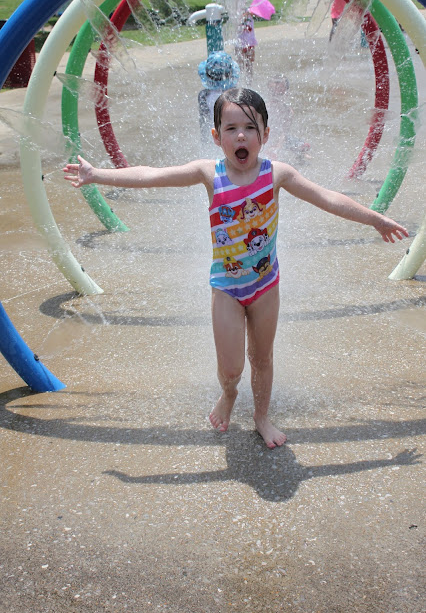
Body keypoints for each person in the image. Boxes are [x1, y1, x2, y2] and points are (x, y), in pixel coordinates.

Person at [63, 88, 409, 449]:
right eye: (231, 128)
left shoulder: (277, 174)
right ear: (217, 137)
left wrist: (375, 219)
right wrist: (97, 175)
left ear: (265, 135)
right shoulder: (208, 173)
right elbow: (151, 175)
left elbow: (328, 198)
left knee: (262, 358)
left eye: (250, 127)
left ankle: (261, 417)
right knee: (231, 369)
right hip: (226, 288)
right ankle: (228, 394)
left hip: (265, 285)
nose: (241, 136)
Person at [197, 51, 239, 143]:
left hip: (215, 135)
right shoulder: (236, 93)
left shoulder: (204, 95)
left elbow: (204, 121)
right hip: (231, 135)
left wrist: (204, 141)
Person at [234, 9, 257, 83]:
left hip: (250, 42)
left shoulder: (250, 12)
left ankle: (249, 82)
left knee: (249, 64)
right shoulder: (237, 13)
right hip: (239, 42)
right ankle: (239, 81)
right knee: (239, 64)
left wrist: (249, 13)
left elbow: (255, 13)